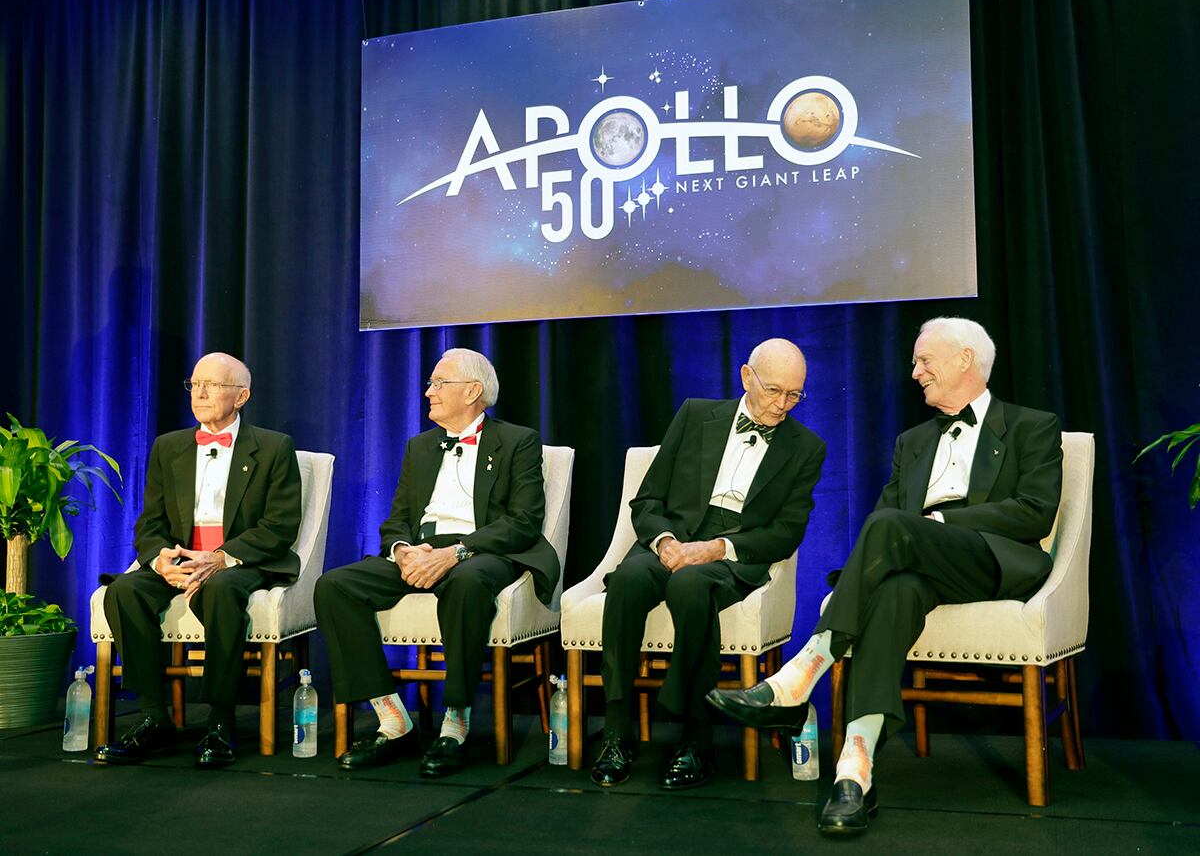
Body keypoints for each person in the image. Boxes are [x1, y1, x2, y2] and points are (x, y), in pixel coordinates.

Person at [708, 317, 1063, 835]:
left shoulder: (1032, 425)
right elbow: (886, 522)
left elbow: (1034, 512)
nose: (915, 371)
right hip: (920, 568)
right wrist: (906, 540)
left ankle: (802, 672)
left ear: (965, 359)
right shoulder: (912, 441)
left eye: (924, 360)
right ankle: (855, 772)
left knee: (892, 528)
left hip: (994, 561)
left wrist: (941, 521)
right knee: (895, 588)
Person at [590, 338, 826, 791]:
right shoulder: (696, 415)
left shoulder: (805, 447)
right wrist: (664, 543)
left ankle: (696, 739)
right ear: (745, 377)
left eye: (794, 395)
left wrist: (717, 548)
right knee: (627, 581)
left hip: (732, 553)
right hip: (672, 541)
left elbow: (786, 533)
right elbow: (648, 499)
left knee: (690, 586)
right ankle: (618, 733)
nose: (783, 405)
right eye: (775, 390)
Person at [315, 348, 557, 777]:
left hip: (484, 553)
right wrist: (402, 551)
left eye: (438, 383)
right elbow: (397, 519)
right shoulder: (420, 447)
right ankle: (393, 719)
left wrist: (457, 552)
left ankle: (456, 722)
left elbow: (523, 522)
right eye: (430, 383)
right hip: (422, 551)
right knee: (334, 585)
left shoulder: (517, 441)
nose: (428, 392)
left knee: (466, 584)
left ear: (473, 391)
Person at [96, 352, 302, 769]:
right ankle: (154, 717)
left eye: (213, 385)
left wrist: (222, 558)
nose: (201, 392)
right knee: (123, 591)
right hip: (180, 558)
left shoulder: (274, 447)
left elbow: (279, 526)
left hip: (238, 563)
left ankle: (220, 721)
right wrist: (159, 561)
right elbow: (150, 522)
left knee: (222, 591)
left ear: (241, 396)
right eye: (195, 384)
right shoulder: (168, 446)